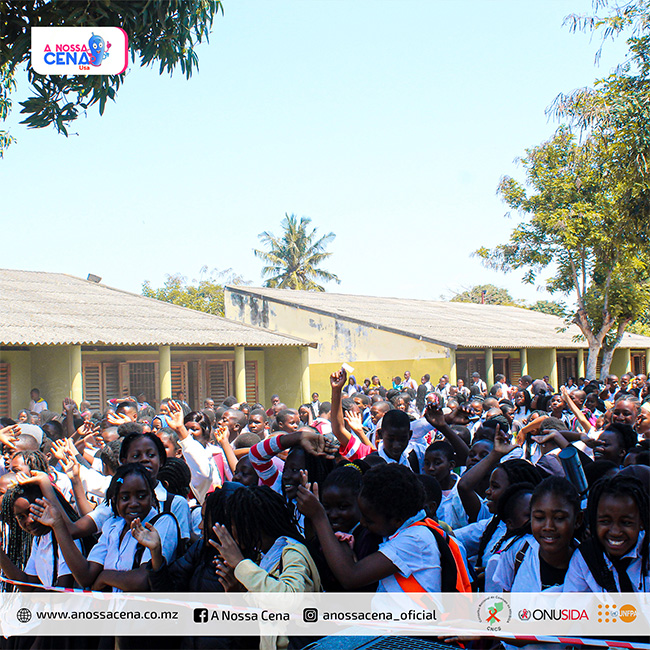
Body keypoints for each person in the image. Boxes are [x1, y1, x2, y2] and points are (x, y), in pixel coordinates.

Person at [297, 463, 470, 593]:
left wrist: (319, 517)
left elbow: (351, 577)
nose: (363, 524)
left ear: (396, 519)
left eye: (369, 520)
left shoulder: (415, 539)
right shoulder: (409, 530)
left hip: (415, 637)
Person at [35, 463, 179, 591]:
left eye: (141, 496)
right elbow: (85, 576)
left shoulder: (161, 522)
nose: (133, 503)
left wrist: (104, 577)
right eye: (125, 498)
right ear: (114, 500)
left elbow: (142, 581)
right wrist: (58, 525)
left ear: (152, 497)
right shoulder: (113, 526)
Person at [492, 477, 582, 592]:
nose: (548, 526)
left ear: (578, 520)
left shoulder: (588, 567)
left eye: (559, 518)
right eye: (539, 518)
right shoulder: (516, 552)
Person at [564, 474, 648, 592]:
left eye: (626, 523)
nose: (615, 532)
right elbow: (573, 606)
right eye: (605, 521)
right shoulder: (585, 559)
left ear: (641, 523)